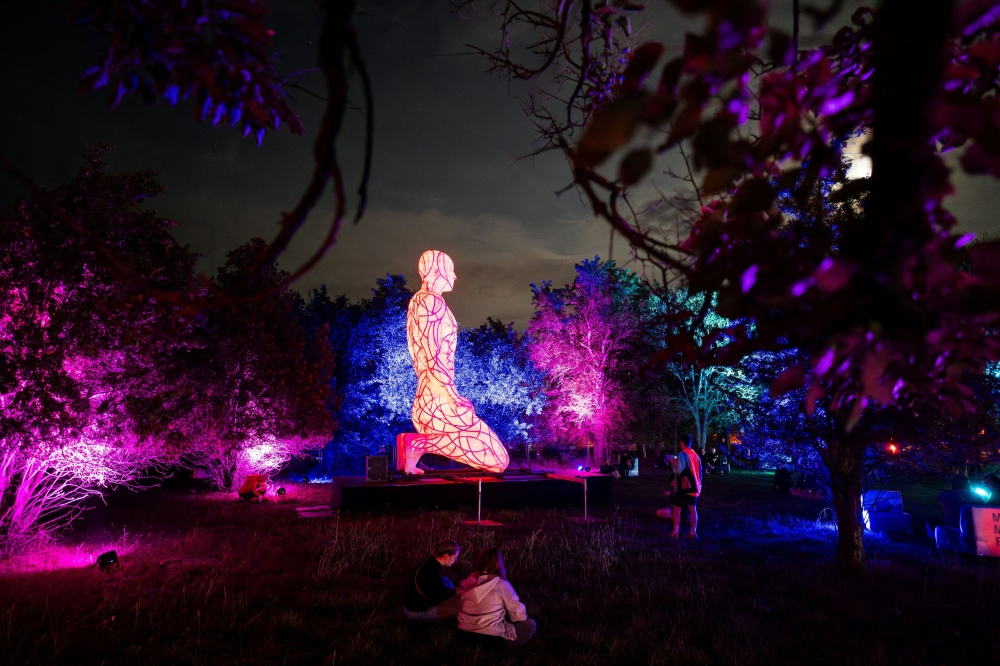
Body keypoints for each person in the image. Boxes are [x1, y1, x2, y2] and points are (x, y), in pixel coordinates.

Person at [456, 548, 536, 652]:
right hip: (489, 639)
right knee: (531, 624)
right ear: (498, 563)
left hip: (462, 635)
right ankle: (509, 650)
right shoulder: (501, 583)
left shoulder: (470, 579)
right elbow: (517, 612)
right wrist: (518, 619)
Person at [403, 539, 462, 621]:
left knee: (445, 580)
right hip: (417, 613)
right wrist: (455, 591)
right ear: (446, 557)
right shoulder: (433, 572)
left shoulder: (431, 559)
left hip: (411, 604)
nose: (455, 560)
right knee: (461, 607)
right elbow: (436, 600)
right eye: (455, 558)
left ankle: (453, 597)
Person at [665, 434, 702, 539]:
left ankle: (675, 532)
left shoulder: (682, 454)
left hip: (684, 487)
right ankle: (693, 532)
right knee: (693, 509)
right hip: (695, 487)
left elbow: (678, 471)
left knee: (677, 509)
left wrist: (673, 462)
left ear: (681, 442)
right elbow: (700, 472)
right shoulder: (696, 455)